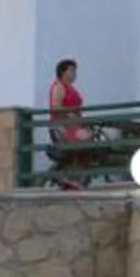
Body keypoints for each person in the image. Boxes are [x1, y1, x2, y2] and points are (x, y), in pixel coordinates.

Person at [47, 58, 87, 187]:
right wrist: (70, 115)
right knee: (83, 141)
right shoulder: (59, 86)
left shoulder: (71, 88)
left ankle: (75, 176)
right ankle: (68, 176)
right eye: (71, 70)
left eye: (75, 71)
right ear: (62, 72)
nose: (74, 73)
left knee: (88, 142)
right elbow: (55, 107)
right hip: (63, 126)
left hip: (74, 125)